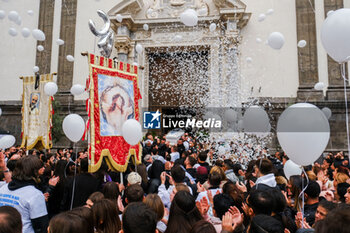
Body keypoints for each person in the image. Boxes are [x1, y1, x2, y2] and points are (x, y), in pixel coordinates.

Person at [0, 155, 48, 233]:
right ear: (34, 171)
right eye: (40, 167)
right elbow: (41, 226)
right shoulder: (35, 195)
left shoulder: (3, 189)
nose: (43, 169)